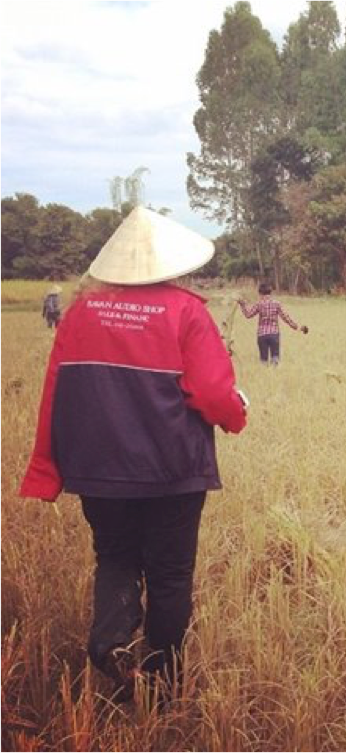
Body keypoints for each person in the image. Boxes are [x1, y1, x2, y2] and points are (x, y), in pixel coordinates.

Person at [19, 206, 247, 702]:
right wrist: (237, 414)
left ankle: (112, 643)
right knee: (169, 575)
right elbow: (211, 393)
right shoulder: (187, 311)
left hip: (99, 472)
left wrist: (50, 464)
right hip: (173, 472)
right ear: (169, 264)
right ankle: (161, 689)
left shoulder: (80, 312)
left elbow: (56, 391)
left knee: (116, 558)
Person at [238, 282, 308, 365]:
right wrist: (296, 327)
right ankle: (274, 374)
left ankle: (265, 374)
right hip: (274, 334)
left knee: (263, 360)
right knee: (275, 358)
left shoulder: (258, 304)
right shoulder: (276, 304)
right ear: (270, 292)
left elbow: (248, 315)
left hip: (262, 335)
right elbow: (286, 318)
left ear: (260, 293)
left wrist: (242, 305)